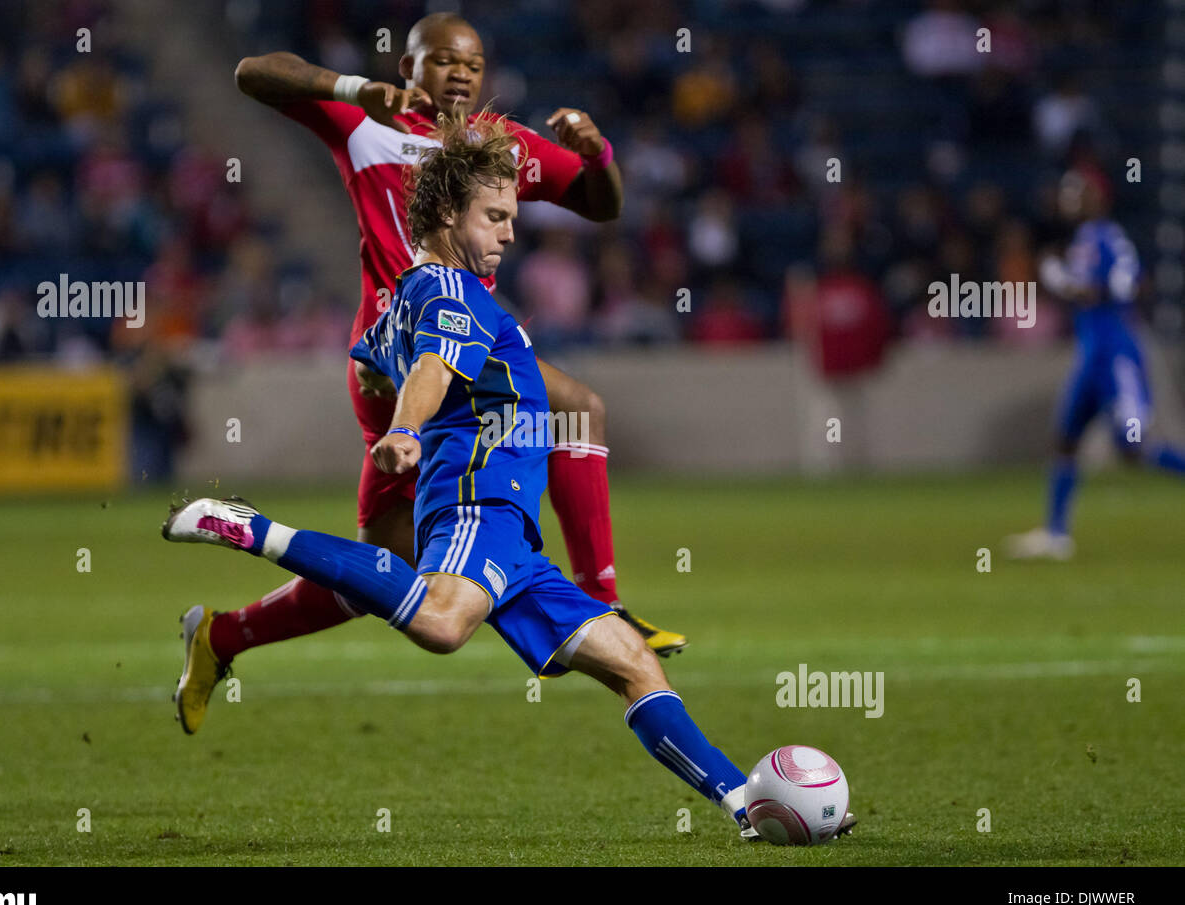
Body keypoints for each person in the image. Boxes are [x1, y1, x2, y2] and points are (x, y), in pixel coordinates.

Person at [163, 113, 800, 840]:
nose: (510, 233)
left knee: (632, 664)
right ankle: (248, 527)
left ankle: (743, 803)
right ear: (443, 215)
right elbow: (433, 366)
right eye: (495, 217)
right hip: (477, 502)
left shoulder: (410, 291)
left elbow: (373, 363)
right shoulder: (450, 292)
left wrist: (402, 417)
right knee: (440, 624)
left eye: (512, 216)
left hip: (515, 539)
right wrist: (408, 428)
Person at [171, 12, 686, 737]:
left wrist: (597, 156)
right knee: (570, 409)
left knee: (391, 562)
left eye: (472, 62)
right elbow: (252, 73)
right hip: (394, 356)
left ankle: (222, 637)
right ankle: (599, 599)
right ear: (409, 66)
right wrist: (352, 86)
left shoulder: (495, 147)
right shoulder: (367, 122)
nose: (461, 72)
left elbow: (602, 206)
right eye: (442, 59)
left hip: (468, 349)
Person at [1007, 169, 1185, 559]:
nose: (1070, 199)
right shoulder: (1082, 242)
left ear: (1098, 198)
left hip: (1117, 354)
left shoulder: (1110, 237)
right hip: (1091, 355)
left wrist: (1061, 280)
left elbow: (1129, 285)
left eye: (1078, 192)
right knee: (1066, 438)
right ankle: (1056, 534)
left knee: (1134, 447)